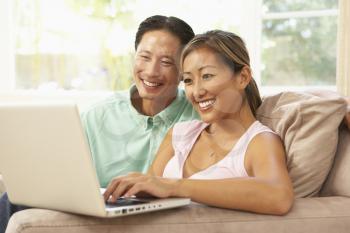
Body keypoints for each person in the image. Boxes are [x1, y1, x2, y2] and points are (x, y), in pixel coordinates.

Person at [0, 15, 198, 233]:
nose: (151, 71)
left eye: (166, 62)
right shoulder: (98, 115)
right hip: (103, 211)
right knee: (14, 197)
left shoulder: (200, 115)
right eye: (144, 57)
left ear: (184, 70)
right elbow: (65, 174)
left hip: (167, 214)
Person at [102, 30, 295, 215]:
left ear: (243, 77)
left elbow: (278, 196)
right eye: (188, 80)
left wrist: (173, 186)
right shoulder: (179, 134)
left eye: (207, 76)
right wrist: (133, 187)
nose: (196, 92)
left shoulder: (259, 142)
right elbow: (151, 192)